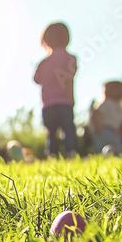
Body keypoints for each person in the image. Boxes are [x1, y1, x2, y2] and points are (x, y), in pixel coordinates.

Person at [33, 22, 78, 158]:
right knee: (68, 129)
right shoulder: (70, 58)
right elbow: (71, 75)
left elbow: (36, 79)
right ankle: (70, 154)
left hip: (48, 104)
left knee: (51, 132)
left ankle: (52, 155)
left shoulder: (43, 63)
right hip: (65, 101)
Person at [90, 81, 122, 154]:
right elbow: (96, 115)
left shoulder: (116, 105)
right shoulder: (107, 103)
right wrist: (101, 131)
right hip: (105, 130)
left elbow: (112, 121)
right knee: (107, 150)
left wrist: (117, 130)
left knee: (117, 149)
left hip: (112, 131)